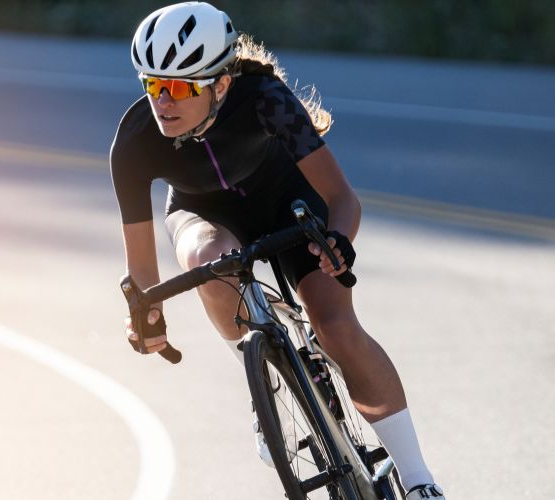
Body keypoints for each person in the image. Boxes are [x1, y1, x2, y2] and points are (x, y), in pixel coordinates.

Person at [110, 2, 445, 498]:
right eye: (152, 85)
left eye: (179, 87)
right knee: (211, 264)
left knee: (334, 324)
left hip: (286, 197)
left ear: (220, 85)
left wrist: (339, 245)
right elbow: (142, 272)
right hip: (203, 214)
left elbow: (342, 199)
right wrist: (146, 313)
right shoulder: (134, 142)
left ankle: (419, 481)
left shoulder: (265, 98)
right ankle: (261, 380)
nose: (163, 101)